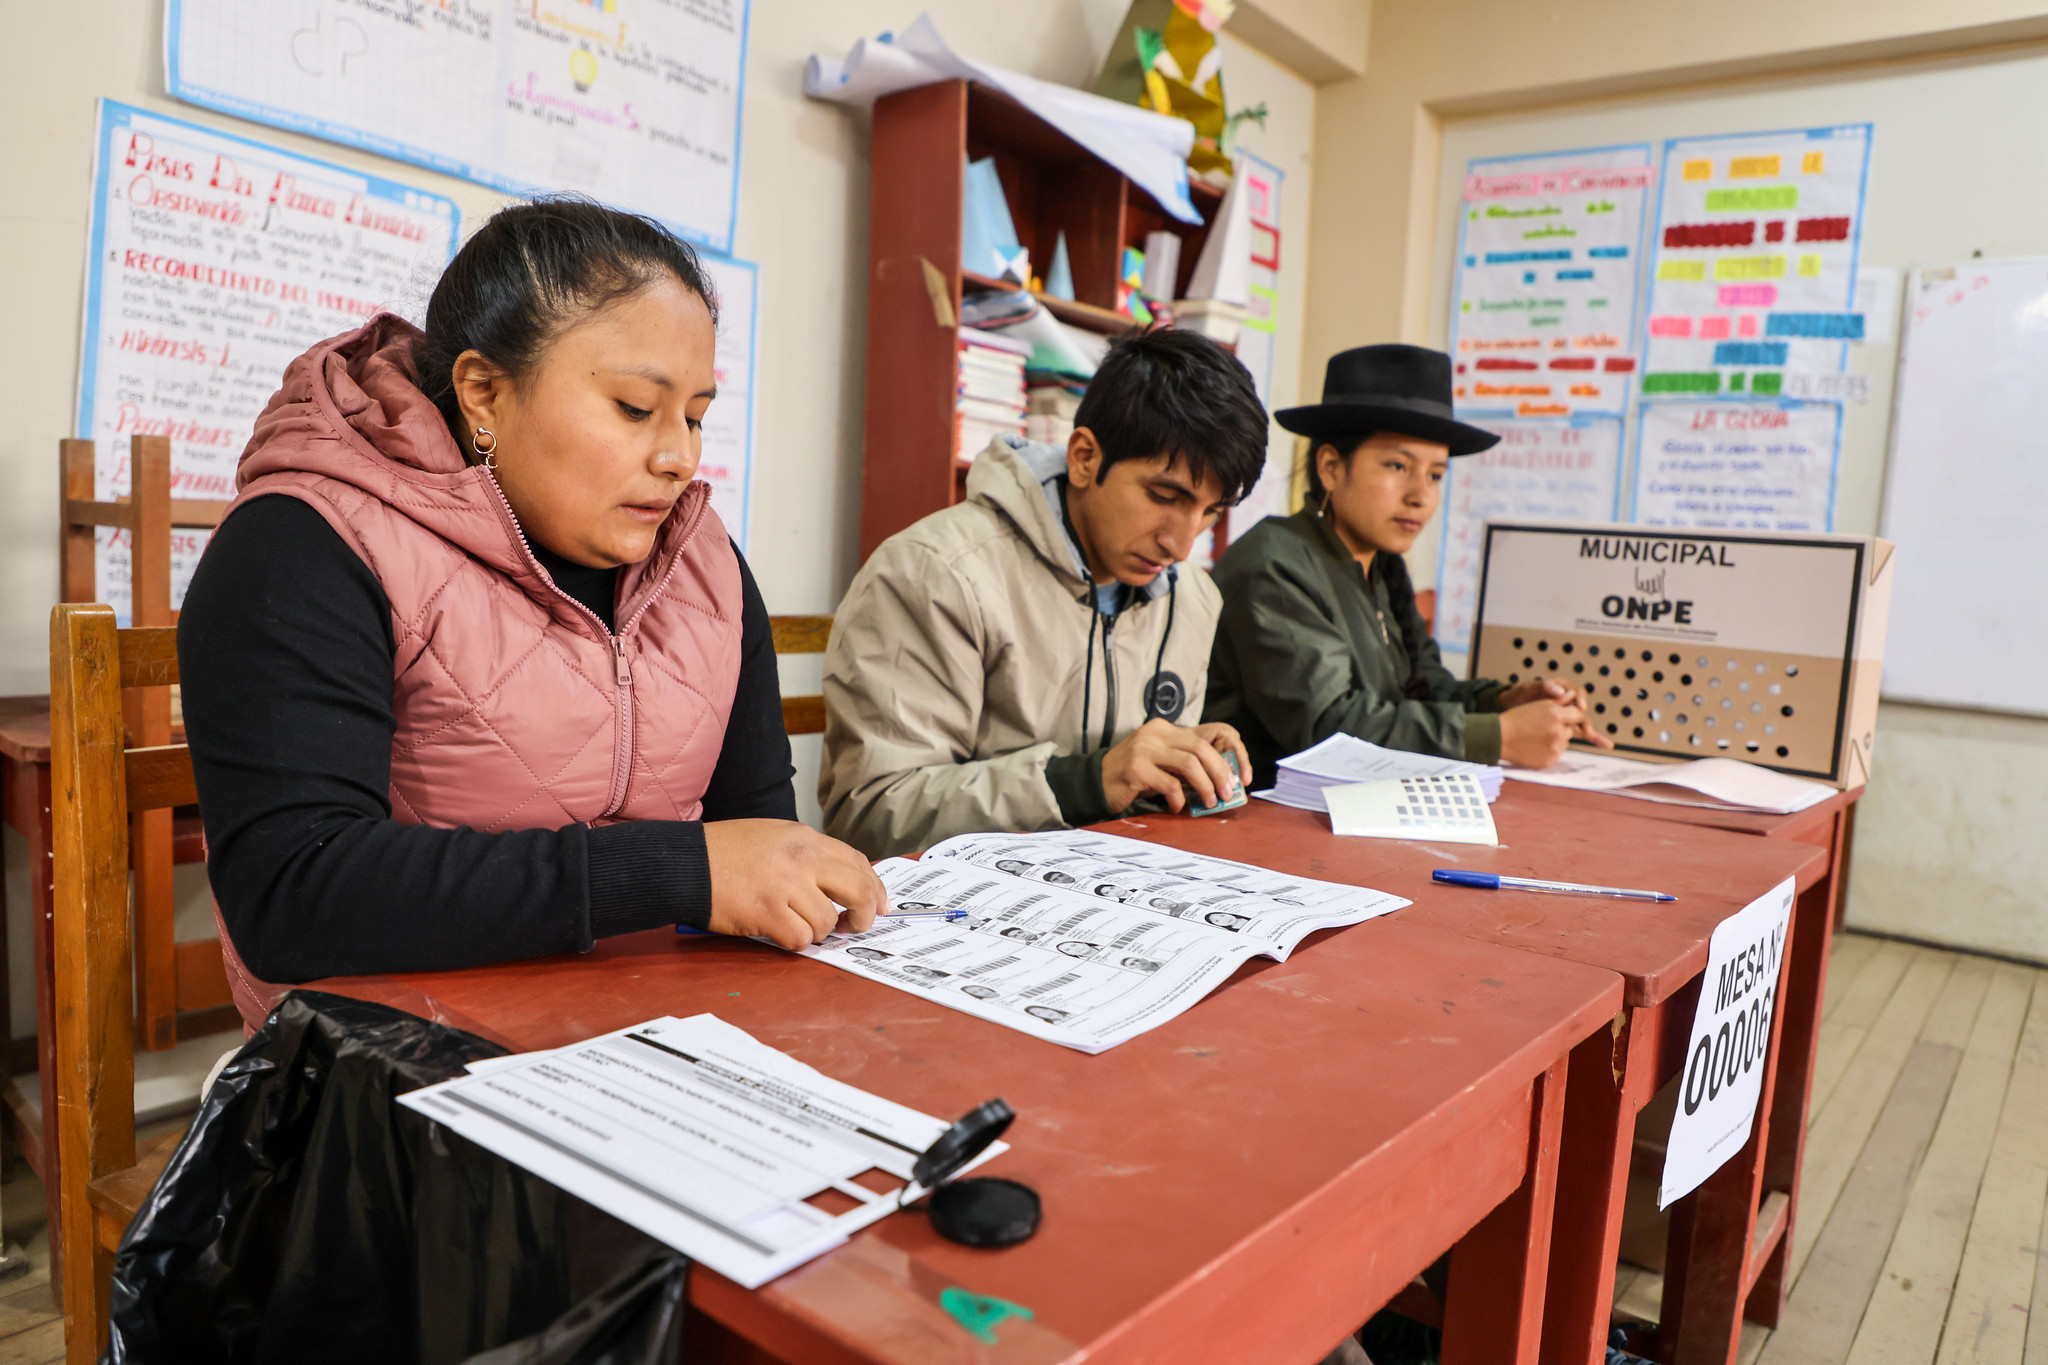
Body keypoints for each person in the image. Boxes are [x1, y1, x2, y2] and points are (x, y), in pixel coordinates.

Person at [179, 198, 884, 1017]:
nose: (678, 456)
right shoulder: (304, 543)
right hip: (392, 1063)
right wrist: (675, 871)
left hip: (662, 1033)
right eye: (633, 408)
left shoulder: (706, 565)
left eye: (695, 416)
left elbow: (758, 845)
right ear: (483, 391)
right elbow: (294, 894)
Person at [821, 328, 1267, 858]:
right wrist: (1086, 782)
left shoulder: (1191, 596)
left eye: (1211, 512)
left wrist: (1185, 772)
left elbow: (1145, 805)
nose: (1181, 542)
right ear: (1084, 458)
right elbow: (870, 817)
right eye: (1164, 495)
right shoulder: (934, 574)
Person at [1206, 344, 1610, 786]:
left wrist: (1504, 703)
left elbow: (1425, 687)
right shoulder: (1275, 565)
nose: (1420, 494)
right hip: (1268, 818)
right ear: (1331, 468)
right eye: (1398, 465)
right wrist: (1500, 737)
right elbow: (1328, 728)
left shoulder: (1379, 569)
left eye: (1435, 475)